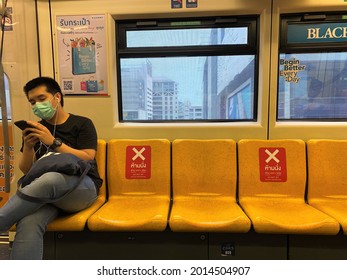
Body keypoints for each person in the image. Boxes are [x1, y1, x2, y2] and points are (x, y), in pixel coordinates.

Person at [0, 76, 102, 259]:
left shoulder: (82, 123)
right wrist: (29, 147)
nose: (37, 105)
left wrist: (53, 142)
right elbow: (27, 170)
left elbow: (88, 157)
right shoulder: (37, 129)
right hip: (47, 195)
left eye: (41, 99)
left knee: (51, 179)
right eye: (32, 102)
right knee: (29, 221)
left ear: (57, 97)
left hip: (82, 189)